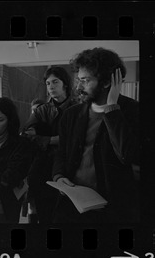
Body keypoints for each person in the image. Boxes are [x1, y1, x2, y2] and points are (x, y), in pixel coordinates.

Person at [52, 47, 139, 223]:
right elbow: (61, 153)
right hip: (72, 205)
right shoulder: (71, 114)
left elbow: (128, 155)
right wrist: (59, 176)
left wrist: (112, 109)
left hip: (113, 210)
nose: (78, 87)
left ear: (107, 82)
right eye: (78, 80)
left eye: (85, 81)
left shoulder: (133, 111)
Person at [22, 66, 76, 223]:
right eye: (47, 83)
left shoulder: (77, 108)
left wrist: (42, 137)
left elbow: (75, 139)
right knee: (44, 213)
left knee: (66, 214)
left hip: (68, 166)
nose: (51, 86)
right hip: (43, 167)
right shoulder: (42, 110)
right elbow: (26, 134)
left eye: (55, 82)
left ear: (65, 84)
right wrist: (55, 139)